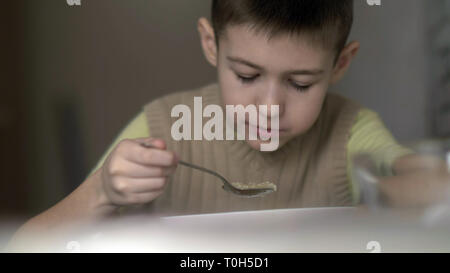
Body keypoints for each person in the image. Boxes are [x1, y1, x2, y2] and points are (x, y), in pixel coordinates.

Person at [9, 0, 450, 247]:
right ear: (210, 44)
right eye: (246, 76)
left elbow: (419, 179)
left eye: (300, 83)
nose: (268, 108)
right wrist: (102, 191)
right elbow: (24, 246)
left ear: (340, 64)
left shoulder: (353, 130)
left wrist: (404, 190)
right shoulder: (163, 125)